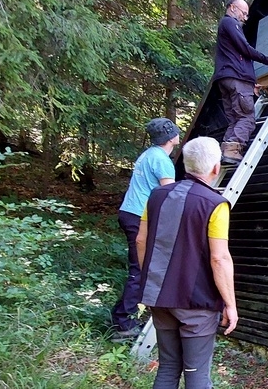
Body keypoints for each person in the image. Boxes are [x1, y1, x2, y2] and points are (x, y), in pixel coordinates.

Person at [136, 136, 237, 389]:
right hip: (197, 306)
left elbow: (140, 241)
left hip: (160, 299)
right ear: (216, 168)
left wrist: (150, 279)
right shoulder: (216, 204)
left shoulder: (156, 196)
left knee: (168, 368)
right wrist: (230, 304)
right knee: (196, 375)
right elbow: (220, 258)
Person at [111, 117, 181, 342]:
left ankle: (120, 315)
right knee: (140, 269)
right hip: (138, 217)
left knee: (138, 267)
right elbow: (168, 195)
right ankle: (123, 322)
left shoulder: (149, 154)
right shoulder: (161, 160)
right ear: (172, 137)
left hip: (130, 213)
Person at [212, 0, 268, 164]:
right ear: (232, 8)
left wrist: (250, 83)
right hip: (236, 79)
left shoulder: (226, 27)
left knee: (235, 119)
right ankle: (232, 151)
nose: (245, 18)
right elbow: (245, 49)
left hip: (227, 79)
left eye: (246, 15)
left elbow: (236, 57)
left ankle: (225, 152)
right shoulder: (230, 23)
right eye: (243, 13)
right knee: (247, 118)